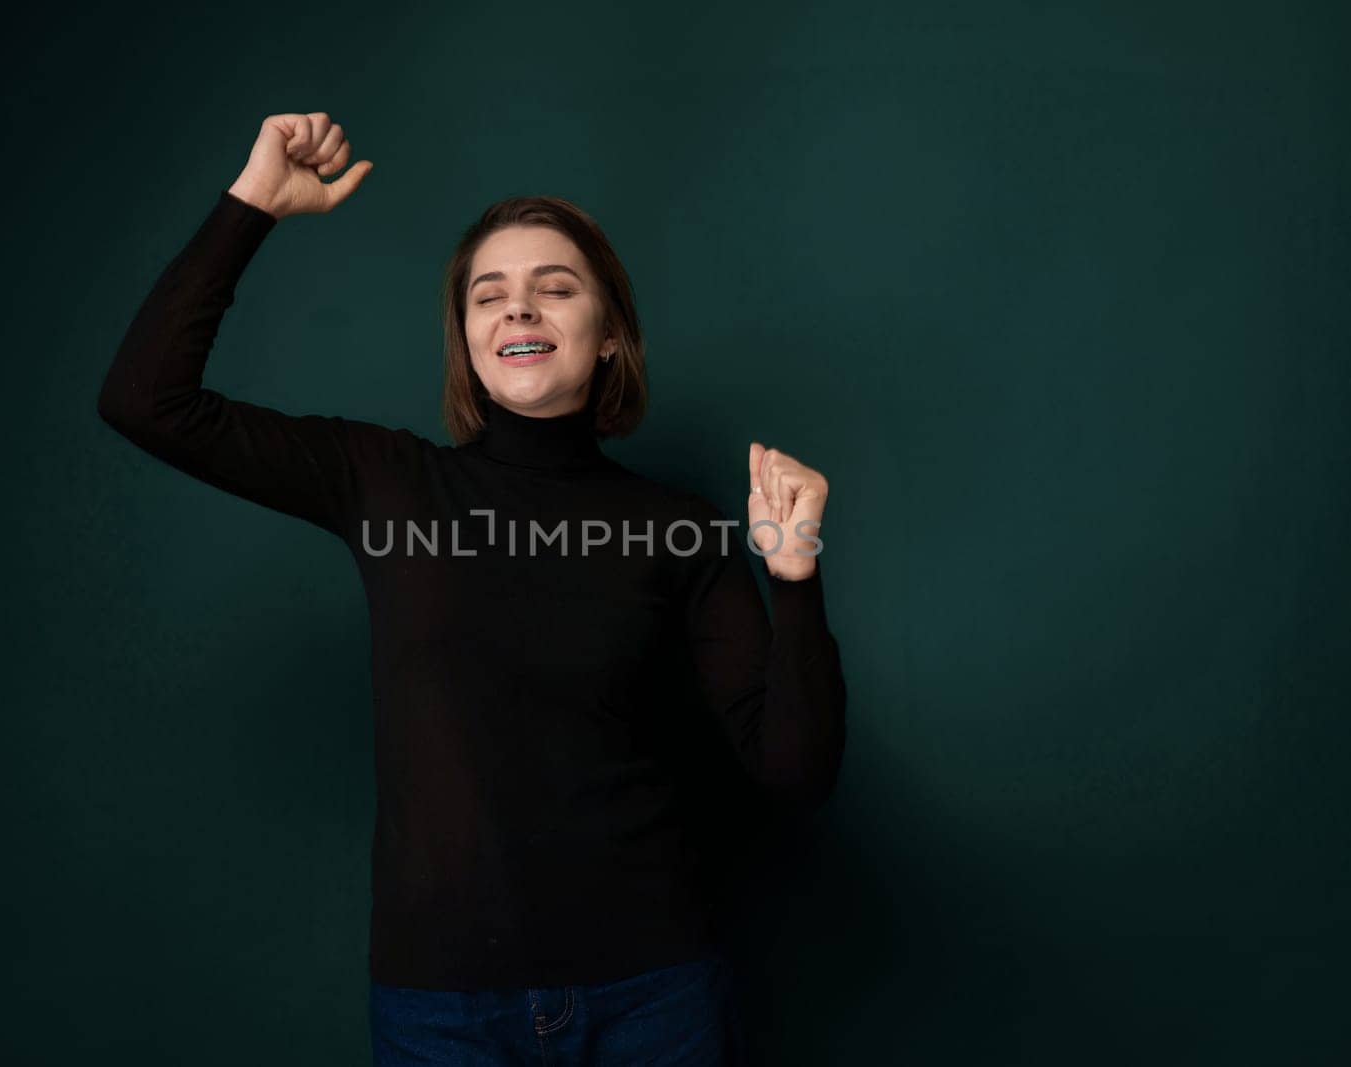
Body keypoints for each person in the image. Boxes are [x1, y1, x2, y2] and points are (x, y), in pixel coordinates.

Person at [97, 110, 848, 1065]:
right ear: (466, 335)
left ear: (609, 330)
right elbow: (144, 398)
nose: (518, 310)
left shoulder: (682, 529)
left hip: (654, 998)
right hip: (440, 1010)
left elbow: (796, 772)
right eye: (488, 295)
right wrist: (254, 204)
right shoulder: (388, 483)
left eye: (555, 288)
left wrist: (794, 577)